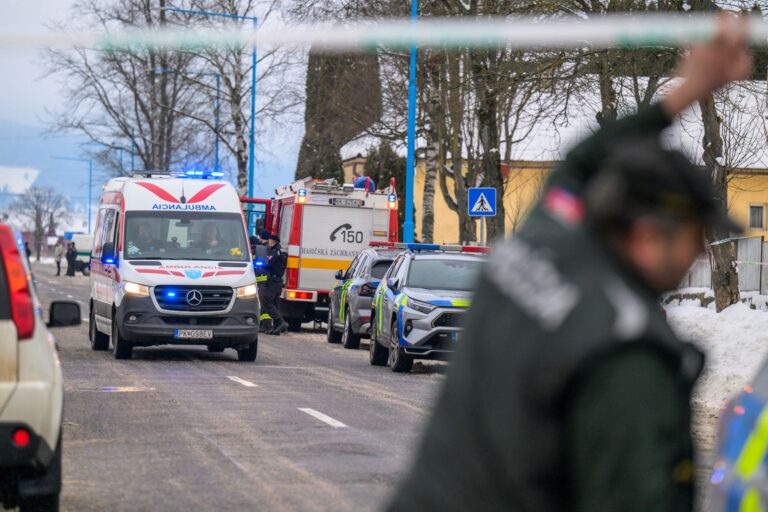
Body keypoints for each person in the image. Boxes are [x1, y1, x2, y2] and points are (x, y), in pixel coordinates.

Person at [385, 14, 751, 512]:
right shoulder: (626, 352)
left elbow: (584, 159)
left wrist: (688, 90)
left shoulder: (533, 245)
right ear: (646, 234)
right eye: (693, 239)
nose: (697, 256)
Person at [262, 234, 289, 335]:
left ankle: (281, 322)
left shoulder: (274, 252)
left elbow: (268, 263)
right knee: (274, 303)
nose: (268, 242)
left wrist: (259, 264)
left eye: (269, 240)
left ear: (272, 241)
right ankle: (277, 327)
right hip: (277, 281)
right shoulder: (278, 251)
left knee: (266, 301)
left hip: (274, 281)